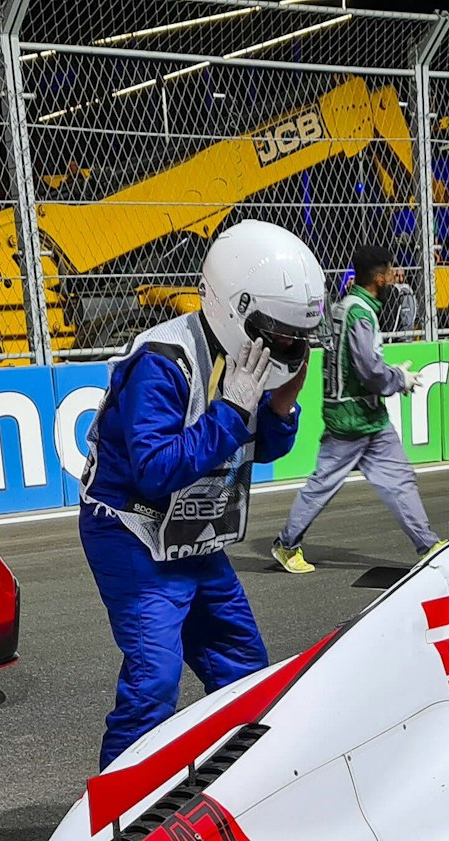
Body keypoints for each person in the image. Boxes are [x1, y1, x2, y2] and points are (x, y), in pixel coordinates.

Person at [80, 220, 322, 767]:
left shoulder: (251, 357)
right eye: (279, 333)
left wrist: (280, 406)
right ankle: (116, 823)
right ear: (235, 306)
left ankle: (238, 784)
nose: (289, 346)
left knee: (246, 668)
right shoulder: (162, 362)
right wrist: (233, 411)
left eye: (298, 337)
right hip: (130, 532)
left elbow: (255, 447)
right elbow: (154, 470)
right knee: (154, 681)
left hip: (194, 533)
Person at [270, 243, 438, 577]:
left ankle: (428, 546)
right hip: (354, 420)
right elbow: (368, 370)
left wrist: (388, 376)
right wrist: (398, 378)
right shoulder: (362, 313)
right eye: (391, 271)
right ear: (379, 277)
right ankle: (286, 544)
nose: (395, 277)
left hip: (362, 417)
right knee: (325, 485)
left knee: (399, 479)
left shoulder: (344, 307)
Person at [381, 263, 419, 341]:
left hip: (402, 336)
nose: (401, 280)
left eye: (403, 276)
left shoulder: (407, 291)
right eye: (397, 276)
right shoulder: (391, 292)